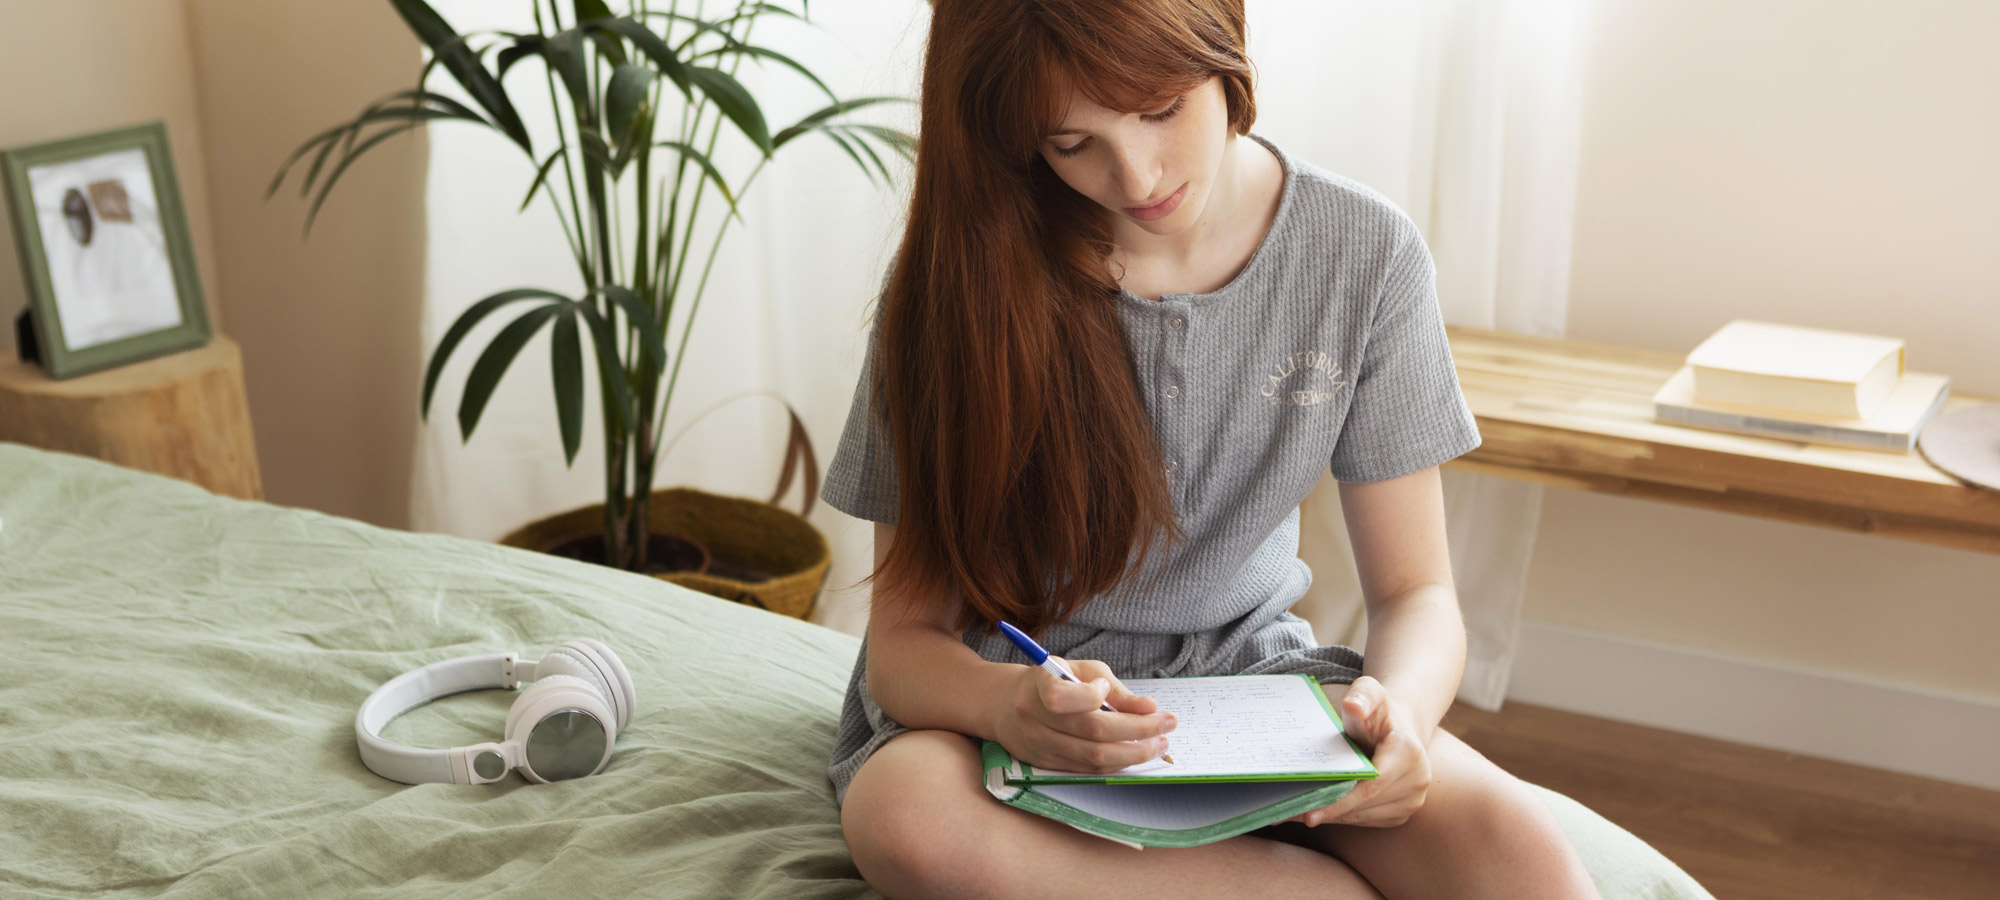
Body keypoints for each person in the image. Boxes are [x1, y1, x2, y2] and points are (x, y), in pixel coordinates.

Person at [819, 1, 1603, 897]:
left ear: (1225, 50)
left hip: (1254, 683)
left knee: (1521, 854)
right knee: (906, 817)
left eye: (1160, 110)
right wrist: (1010, 706)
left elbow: (1416, 593)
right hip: (1015, 700)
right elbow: (905, 644)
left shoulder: (1363, 253)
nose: (1136, 173)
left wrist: (1405, 718)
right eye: (1072, 143)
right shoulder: (957, 281)